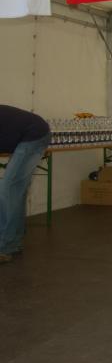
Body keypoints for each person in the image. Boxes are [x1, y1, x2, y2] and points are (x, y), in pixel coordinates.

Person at [0, 105, 51, 264]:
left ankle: (5, 247)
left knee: (8, 190)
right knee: (15, 192)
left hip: (34, 135)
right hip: (26, 135)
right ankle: (13, 242)